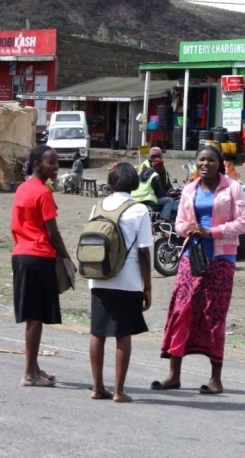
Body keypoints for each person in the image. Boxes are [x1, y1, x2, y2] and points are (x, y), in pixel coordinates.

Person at [152, 145, 245, 394]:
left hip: (221, 259)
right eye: (201, 160)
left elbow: (242, 223)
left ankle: (215, 378)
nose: (205, 164)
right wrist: (191, 230)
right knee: (181, 311)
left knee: (214, 316)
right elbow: (180, 223)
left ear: (221, 163)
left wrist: (211, 232)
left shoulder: (233, 188)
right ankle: (174, 375)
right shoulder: (189, 189)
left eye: (210, 160)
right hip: (190, 257)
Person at [88, 162, 153, 403]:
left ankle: (97, 387)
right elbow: (145, 252)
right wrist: (147, 286)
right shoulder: (139, 210)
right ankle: (118, 390)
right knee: (123, 334)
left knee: (98, 333)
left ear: (111, 182)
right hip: (127, 280)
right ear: (134, 183)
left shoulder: (97, 206)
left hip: (98, 277)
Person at [11, 145, 75, 387]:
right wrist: (68, 258)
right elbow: (54, 234)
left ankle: (35, 366)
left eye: (57, 162)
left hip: (20, 255)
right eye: (51, 162)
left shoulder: (23, 188)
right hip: (38, 256)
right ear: (37, 164)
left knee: (32, 314)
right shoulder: (43, 193)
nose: (56, 166)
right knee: (35, 317)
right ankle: (29, 374)